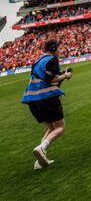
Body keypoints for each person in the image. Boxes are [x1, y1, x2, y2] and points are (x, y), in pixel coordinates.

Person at [21, 39, 73, 170]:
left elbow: (45, 78)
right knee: (60, 127)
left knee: (50, 128)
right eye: (59, 48)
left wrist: (60, 75)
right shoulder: (52, 60)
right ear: (53, 48)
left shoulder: (38, 61)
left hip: (32, 100)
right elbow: (52, 80)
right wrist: (66, 76)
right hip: (46, 98)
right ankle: (41, 148)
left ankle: (40, 160)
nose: (60, 51)